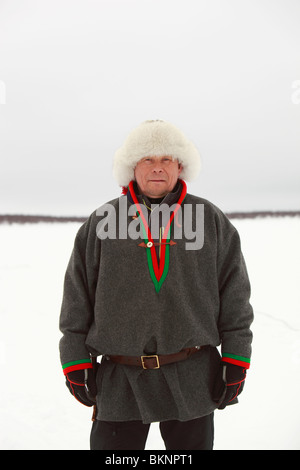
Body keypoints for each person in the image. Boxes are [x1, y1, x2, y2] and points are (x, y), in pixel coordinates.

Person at [59, 120, 253, 450]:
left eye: (167, 159)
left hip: (192, 376)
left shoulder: (210, 220)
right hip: (121, 381)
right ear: (132, 167)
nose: (158, 168)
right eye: (148, 159)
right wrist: (74, 359)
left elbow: (234, 293)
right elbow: (77, 297)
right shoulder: (102, 222)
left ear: (181, 166)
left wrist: (237, 357)